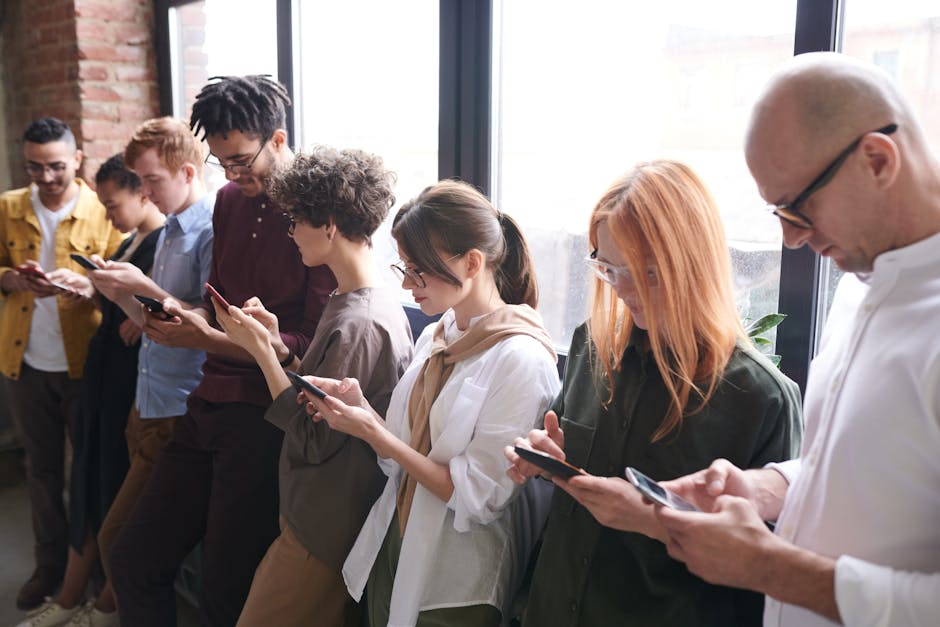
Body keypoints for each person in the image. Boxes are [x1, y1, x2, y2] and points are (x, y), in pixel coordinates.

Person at [653, 52, 940, 627]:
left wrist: (770, 569)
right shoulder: (858, 284)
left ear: (878, 160)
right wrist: (762, 488)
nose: (790, 240)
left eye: (798, 208)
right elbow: (863, 467)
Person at [502, 160, 803, 626]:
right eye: (608, 268)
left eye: (646, 273)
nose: (623, 290)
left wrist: (651, 520)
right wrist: (545, 456)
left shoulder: (761, 398)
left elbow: (762, 577)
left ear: (693, 263)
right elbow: (563, 463)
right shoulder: (591, 347)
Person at [109, 76, 337, 627]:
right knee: (132, 558)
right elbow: (218, 304)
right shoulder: (230, 202)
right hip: (206, 399)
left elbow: (310, 350)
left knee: (225, 589)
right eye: (221, 162)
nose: (232, 176)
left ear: (278, 139)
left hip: (265, 417)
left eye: (241, 160)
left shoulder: (318, 212)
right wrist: (188, 319)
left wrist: (209, 338)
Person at [303, 179, 560, 627]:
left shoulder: (522, 359)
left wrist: (373, 431)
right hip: (394, 543)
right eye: (403, 267)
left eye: (418, 271)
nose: (407, 285)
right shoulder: (437, 336)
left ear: (472, 262)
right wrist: (362, 411)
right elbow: (400, 454)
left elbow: (479, 496)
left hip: (456, 580)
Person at [211, 146, 413, 627]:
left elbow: (316, 435)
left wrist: (260, 352)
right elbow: (325, 392)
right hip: (317, 515)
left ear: (329, 225)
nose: (290, 233)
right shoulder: (352, 300)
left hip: (323, 526)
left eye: (295, 220)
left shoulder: (361, 321)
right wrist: (279, 350)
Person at [12, 154, 166, 627]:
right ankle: (70, 596)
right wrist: (89, 286)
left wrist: (142, 312)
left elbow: (167, 313)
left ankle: (101, 606)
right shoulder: (128, 241)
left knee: (116, 488)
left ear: (143, 193)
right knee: (87, 481)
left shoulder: (164, 244)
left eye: (112, 204)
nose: (107, 214)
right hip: (103, 375)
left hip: (129, 383)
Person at [0, 118, 124, 611]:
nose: (46, 177)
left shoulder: (103, 210)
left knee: (91, 473)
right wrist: (12, 278)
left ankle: (94, 570)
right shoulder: (8, 207)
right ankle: (48, 566)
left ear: (77, 159)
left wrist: (89, 287)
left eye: (55, 166)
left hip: (84, 363)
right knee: (42, 471)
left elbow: (123, 281)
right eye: (35, 167)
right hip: (25, 362)